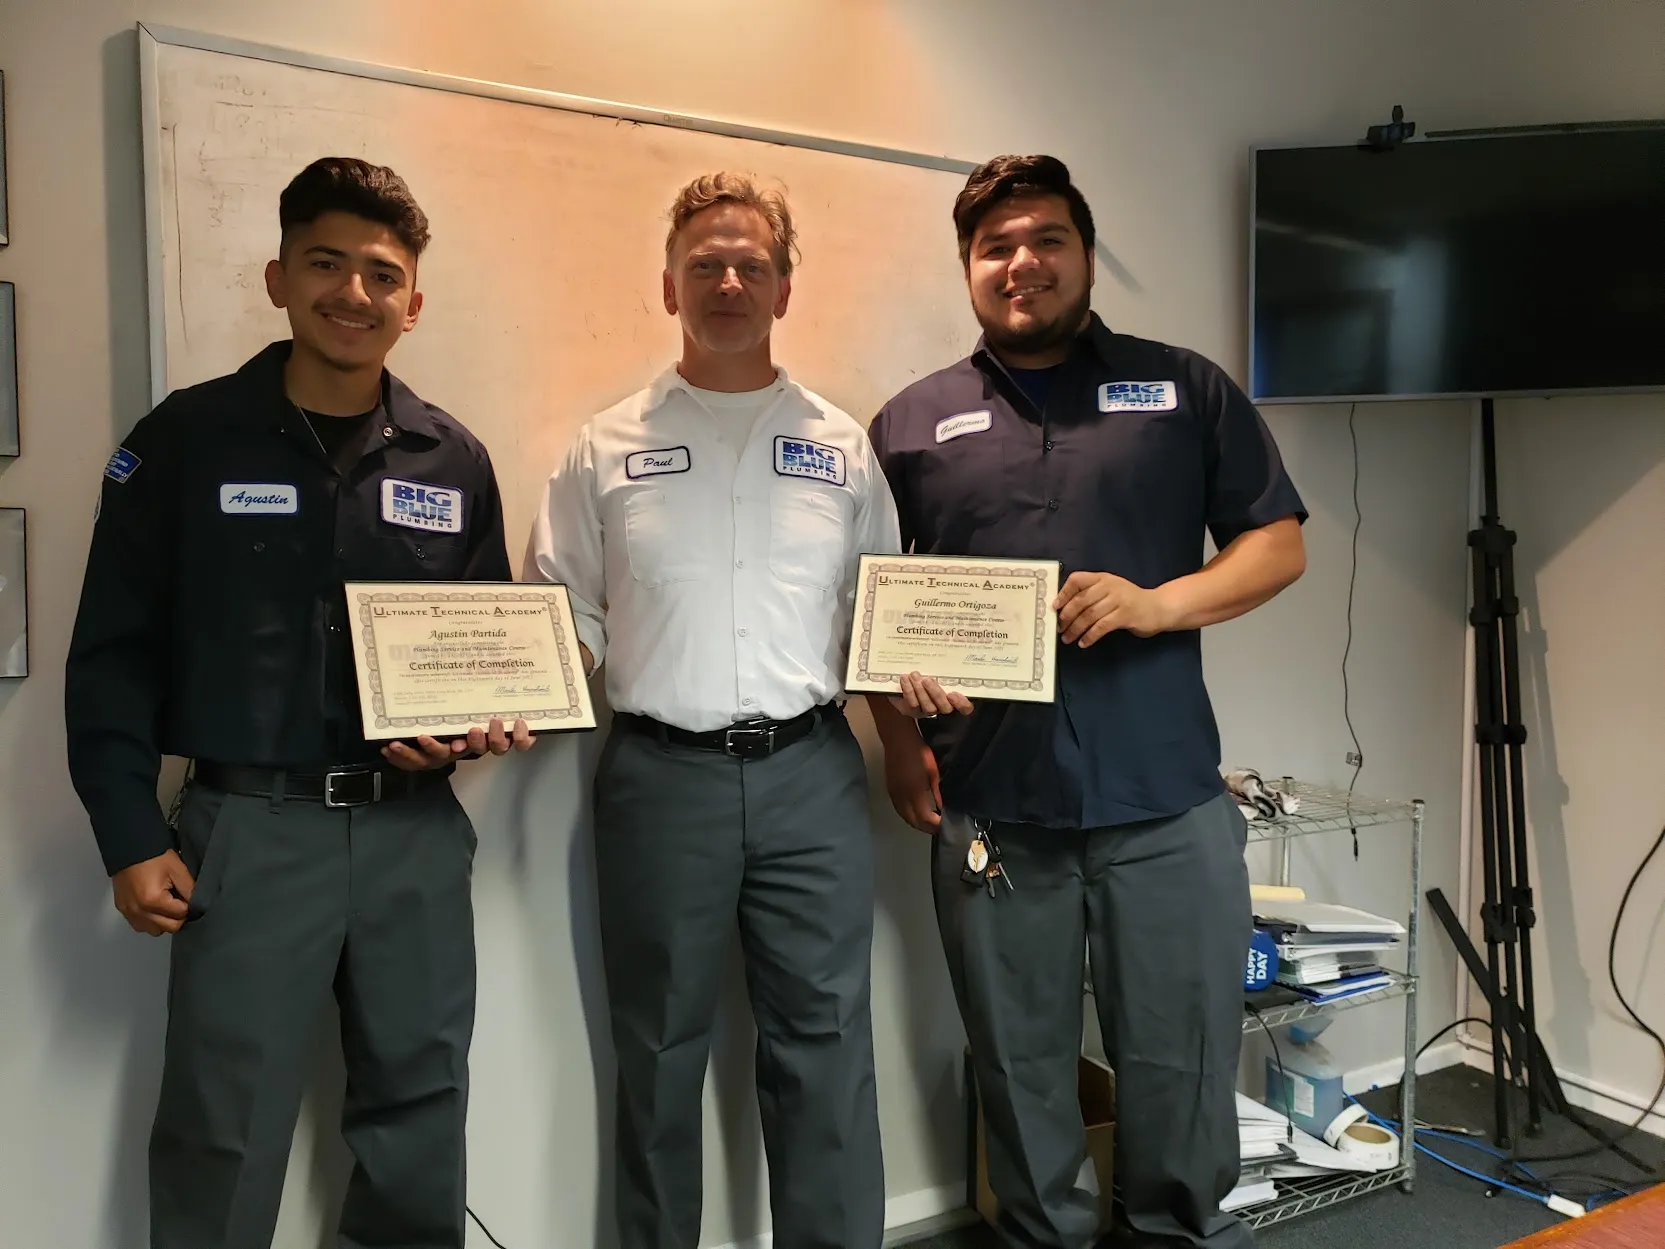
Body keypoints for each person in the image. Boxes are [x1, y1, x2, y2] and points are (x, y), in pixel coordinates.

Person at [65, 156, 532, 1249]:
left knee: (420, 1115)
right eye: (327, 263)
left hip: (415, 836)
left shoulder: (451, 459)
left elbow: (486, 650)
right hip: (250, 832)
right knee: (223, 1128)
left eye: (382, 273)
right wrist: (129, 833)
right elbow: (112, 656)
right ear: (277, 276)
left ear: (413, 301)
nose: (353, 294)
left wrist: (481, 725)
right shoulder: (182, 441)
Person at [866, 154, 1308, 1249]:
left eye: (1046, 240)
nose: (1023, 263)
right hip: (995, 809)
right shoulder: (912, 423)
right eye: (995, 247)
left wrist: (1159, 605)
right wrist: (896, 721)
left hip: (1164, 799)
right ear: (969, 268)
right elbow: (873, 605)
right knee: (1017, 1064)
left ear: (1085, 253)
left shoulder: (1185, 388)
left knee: (1181, 1058)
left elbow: (1278, 543)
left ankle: (1177, 1230)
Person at [524, 171, 899, 1249]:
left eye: (752, 264)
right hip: (658, 780)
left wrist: (919, 681)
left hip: (813, 776)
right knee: (655, 1052)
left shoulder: (841, 446)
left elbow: (882, 612)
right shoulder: (602, 448)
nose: (728, 280)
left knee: (825, 1045)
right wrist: (508, 699)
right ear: (668, 286)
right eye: (705, 264)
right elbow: (567, 615)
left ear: (785, 288)